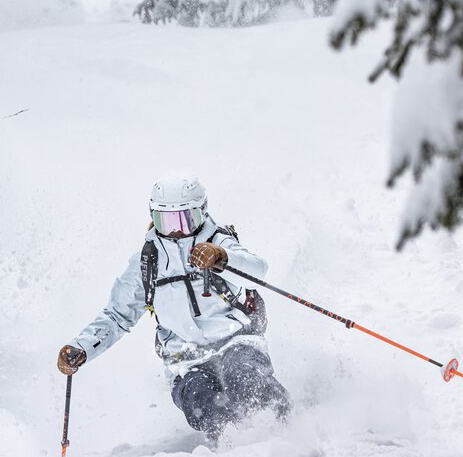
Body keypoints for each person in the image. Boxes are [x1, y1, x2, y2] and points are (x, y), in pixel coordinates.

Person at [57, 176, 290, 439]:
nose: (175, 230)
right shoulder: (148, 261)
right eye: (165, 221)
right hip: (185, 359)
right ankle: (231, 447)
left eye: (184, 220)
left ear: (201, 212)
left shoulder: (218, 241)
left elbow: (257, 271)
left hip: (235, 340)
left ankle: (284, 430)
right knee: (201, 401)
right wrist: (82, 347)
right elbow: (117, 315)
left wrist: (222, 258)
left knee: (245, 378)